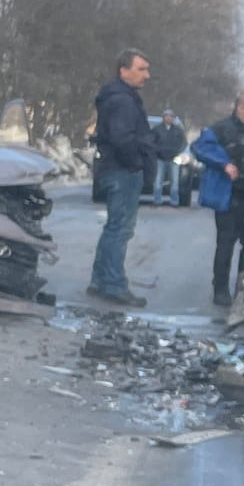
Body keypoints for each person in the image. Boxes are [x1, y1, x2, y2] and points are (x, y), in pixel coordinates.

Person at [193, 90, 244, 304]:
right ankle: (220, 290)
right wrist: (224, 164)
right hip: (229, 197)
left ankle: (243, 287)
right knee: (226, 244)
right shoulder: (221, 129)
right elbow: (199, 148)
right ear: (241, 108)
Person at [87, 50, 153, 306]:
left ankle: (100, 280)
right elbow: (122, 138)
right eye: (141, 69)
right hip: (122, 171)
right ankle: (113, 285)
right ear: (124, 71)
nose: (147, 75)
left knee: (113, 228)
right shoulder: (123, 100)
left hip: (113, 167)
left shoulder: (116, 96)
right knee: (120, 229)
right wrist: (137, 163)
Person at [149, 112, 190, 206]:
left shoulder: (178, 130)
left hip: (174, 159)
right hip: (159, 158)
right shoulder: (157, 129)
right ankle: (157, 201)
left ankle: (174, 201)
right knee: (158, 181)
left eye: (171, 117)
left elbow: (183, 143)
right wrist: (157, 152)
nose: (169, 118)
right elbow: (151, 142)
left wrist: (178, 152)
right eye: (167, 116)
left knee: (175, 181)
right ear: (163, 118)